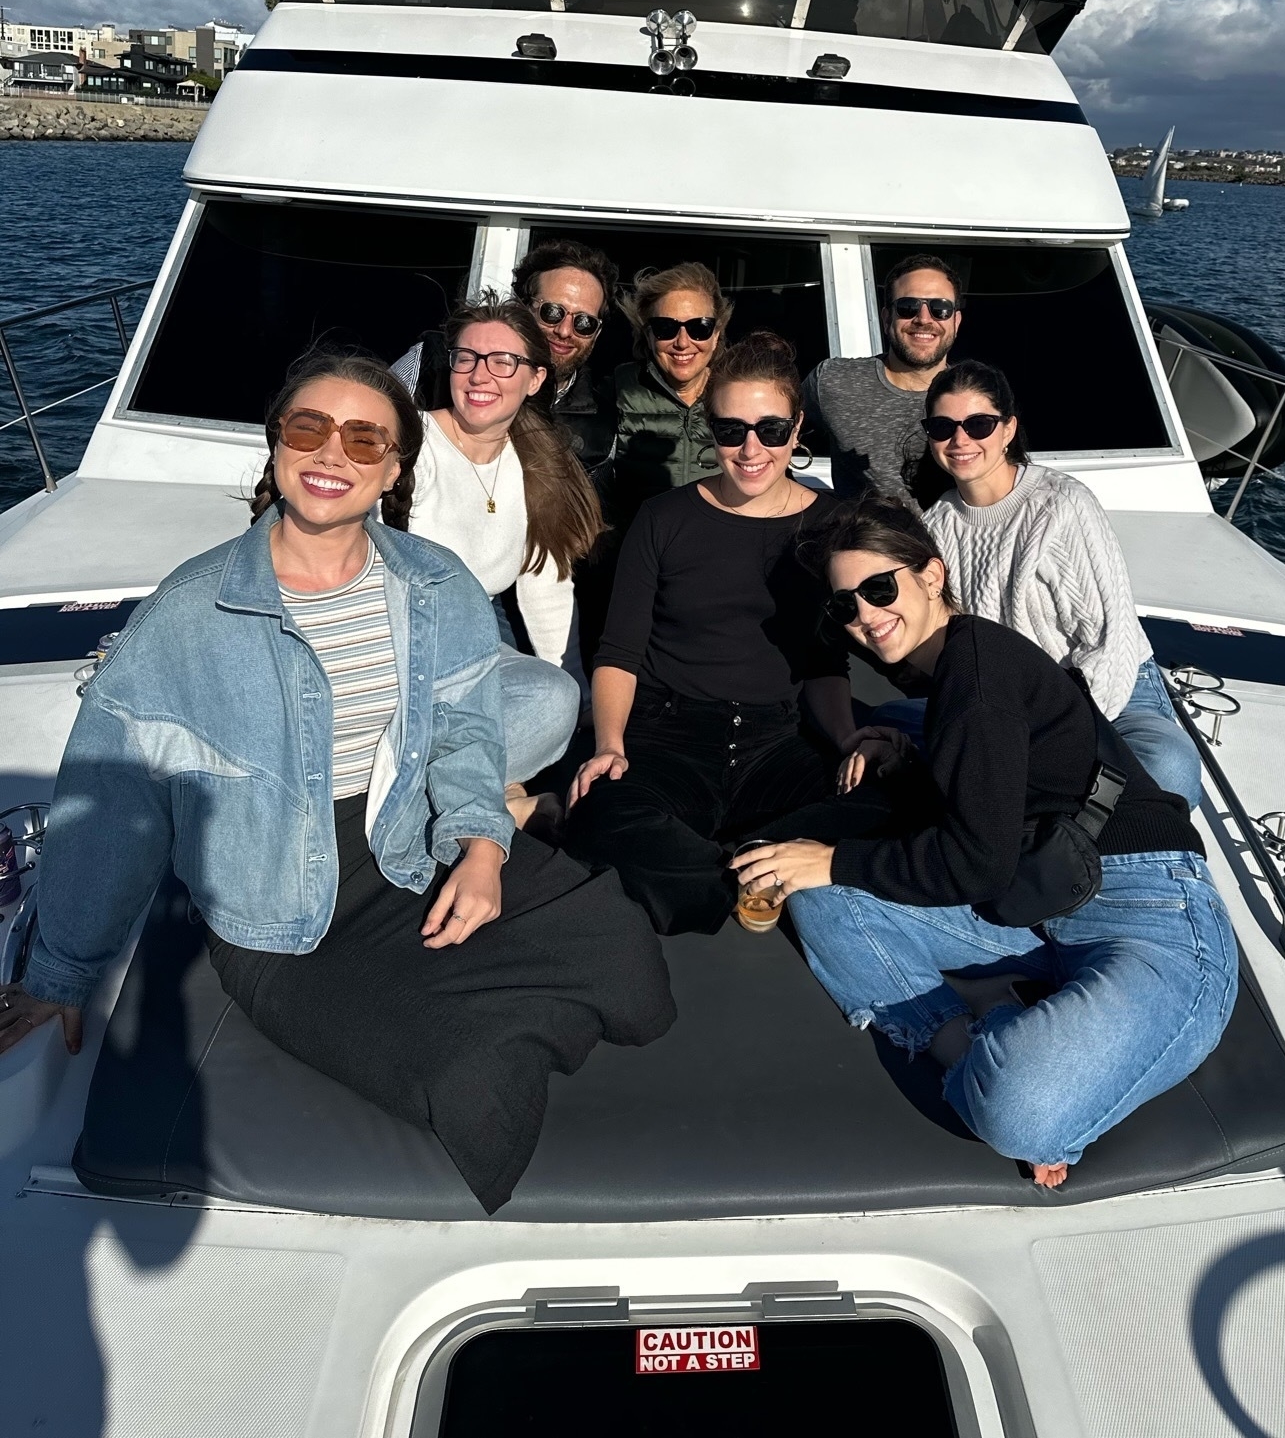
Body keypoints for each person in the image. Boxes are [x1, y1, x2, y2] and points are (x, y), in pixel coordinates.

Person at [0, 353, 673, 1214]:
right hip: (281, 901)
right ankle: (489, 1014)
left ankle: (509, 987)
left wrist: (480, 844)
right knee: (470, 1076)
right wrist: (62, 968)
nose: (333, 455)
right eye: (309, 428)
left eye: (365, 439)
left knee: (631, 959)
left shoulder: (434, 582)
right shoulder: (190, 610)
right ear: (277, 446)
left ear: (395, 469)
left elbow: (467, 728)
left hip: (407, 838)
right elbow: (117, 796)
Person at [735, 497, 1235, 1191]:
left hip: (1145, 907)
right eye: (846, 606)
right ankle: (971, 1035)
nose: (867, 616)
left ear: (932, 575)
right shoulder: (952, 669)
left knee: (1022, 1112)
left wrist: (835, 857)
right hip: (1032, 891)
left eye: (880, 589)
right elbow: (988, 800)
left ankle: (1006, 1038)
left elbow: (975, 857)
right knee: (816, 896)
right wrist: (907, 757)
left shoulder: (978, 670)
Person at [564, 332, 892, 936]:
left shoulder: (828, 525)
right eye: (730, 429)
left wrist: (847, 737)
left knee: (893, 793)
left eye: (770, 430)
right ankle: (757, 868)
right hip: (671, 731)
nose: (750, 448)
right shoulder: (663, 518)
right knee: (599, 814)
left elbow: (824, 663)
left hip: (781, 735)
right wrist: (610, 745)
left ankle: (738, 859)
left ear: (796, 432)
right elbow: (620, 651)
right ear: (708, 431)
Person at [920, 361, 1201, 807]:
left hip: (1112, 694)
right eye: (942, 426)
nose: (960, 440)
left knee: (1168, 767)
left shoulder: (1061, 506)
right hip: (1007, 705)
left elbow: (1111, 642)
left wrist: (1052, 736)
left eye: (979, 424)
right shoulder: (936, 525)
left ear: (1008, 429)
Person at [405, 295, 603, 825]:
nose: (480, 375)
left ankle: (455, 795)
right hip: (396, 644)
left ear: (535, 379)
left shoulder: (537, 464)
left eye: (503, 362)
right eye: (467, 358)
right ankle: (496, 802)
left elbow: (546, 585)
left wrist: (578, 700)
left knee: (551, 698)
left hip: (474, 648)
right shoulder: (409, 445)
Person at [803, 254, 963, 503]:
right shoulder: (834, 382)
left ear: (956, 321)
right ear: (887, 318)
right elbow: (771, 432)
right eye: (907, 307)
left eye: (939, 308)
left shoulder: (976, 400)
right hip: (868, 541)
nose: (923, 319)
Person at [610, 261, 730, 526]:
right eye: (666, 327)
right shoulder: (617, 389)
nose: (683, 342)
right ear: (649, 335)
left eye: (699, 327)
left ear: (716, 334)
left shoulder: (738, 394)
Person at [512, 238, 619, 478]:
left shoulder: (605, 424)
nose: (564, 331)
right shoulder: (440, 369)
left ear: (597, 333)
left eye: (584, 322)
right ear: (521, 306)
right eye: (552, 312)